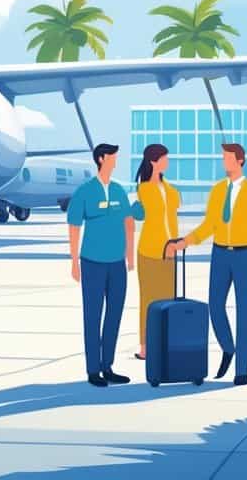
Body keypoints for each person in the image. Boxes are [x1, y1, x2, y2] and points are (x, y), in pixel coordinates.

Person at [170, 143, 247, 386]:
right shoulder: (217, 191)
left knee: (245, 312)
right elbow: (210, 224)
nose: (224, 161)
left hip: (243, 255)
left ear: (240, 161)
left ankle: (242, 370)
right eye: (223, 157)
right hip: (220, 254)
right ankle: (228, 347)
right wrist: (186, 241)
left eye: (227, 157)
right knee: (215, 306)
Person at [67, 143, 144, 387]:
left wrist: (130, 256)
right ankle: (93, 370)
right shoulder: (85, 192)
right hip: (93, 263)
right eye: (113, 157)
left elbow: (129, 222)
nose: (116, 160)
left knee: (114, 315)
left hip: (117, 264)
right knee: (92, 316)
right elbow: (74, 226)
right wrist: (74, 262)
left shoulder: (119, 191)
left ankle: (107, 366)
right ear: (102, 159)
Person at [133, 143, 181, 360]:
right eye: (164, 158)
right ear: (153, 161)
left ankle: (166, 343)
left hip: (170, 251)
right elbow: (140, 214)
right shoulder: (143, 190)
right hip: (149, 251)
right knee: (149, 300)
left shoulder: (171, 190)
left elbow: (172, 216)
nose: (167, 162)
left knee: (168, 299)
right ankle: (145, 346)